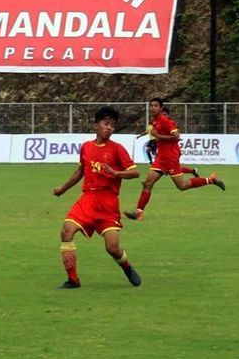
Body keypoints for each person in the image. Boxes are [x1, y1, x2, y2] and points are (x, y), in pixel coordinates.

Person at [52, 106, 142, 289]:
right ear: (96, 125)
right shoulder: (86, 147)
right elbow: (81, 171)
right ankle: (73, 280)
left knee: (112, 248)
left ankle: (126, 266)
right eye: (106, 124)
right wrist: (63, 188)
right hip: (87, 199)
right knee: (66, 231)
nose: (110, 128)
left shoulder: (117, 149)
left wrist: (115, 172)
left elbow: (135, 173)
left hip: (107, 202)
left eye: (113, 125)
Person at [124, 97, 224, 221]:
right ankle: (138, 212)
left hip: (171, 158)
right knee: (148, 183)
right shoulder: (153, 121)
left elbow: (177, 137)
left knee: (182, 186)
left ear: (160, 108)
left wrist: (158, 136)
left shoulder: (166, 121)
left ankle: (210, 180)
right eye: (151, 106)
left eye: (156, 106)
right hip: (161, 158)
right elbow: (154, 132)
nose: (153, 108)